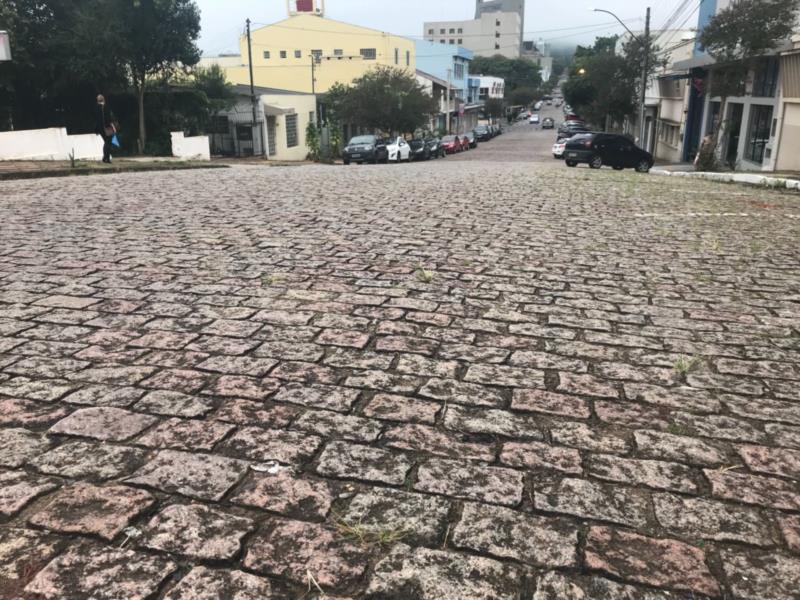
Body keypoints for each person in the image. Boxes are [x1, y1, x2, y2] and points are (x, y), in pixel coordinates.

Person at [94, 94, 116, 164]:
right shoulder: (105, 107)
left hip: (100, 129)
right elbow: (108, 118)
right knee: (108, 143)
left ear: (97, 100)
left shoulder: (96, 108)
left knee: (106, 142)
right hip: (107, 127)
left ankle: (105, 157)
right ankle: (106, 158)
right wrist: (113, 126)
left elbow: (96, 119)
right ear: (103, 99)